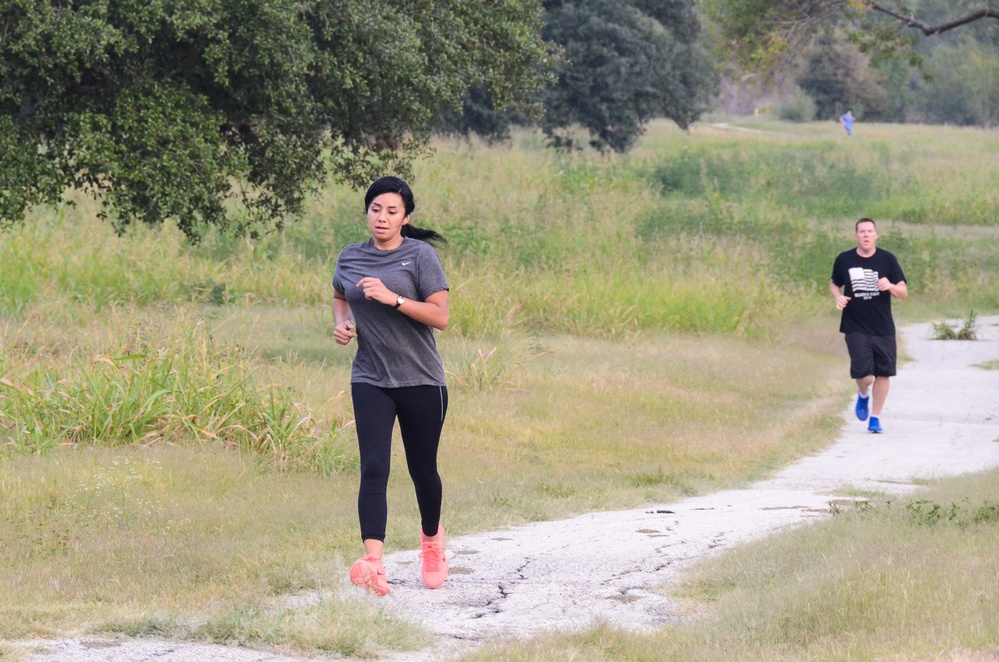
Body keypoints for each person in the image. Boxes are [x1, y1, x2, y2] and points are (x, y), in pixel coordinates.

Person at [332, 176, 451, 595]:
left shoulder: (420, 256)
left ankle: (432, 542)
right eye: (375, 209)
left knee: (423, 470)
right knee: (374, 467)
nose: (382, 217)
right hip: (370, 378)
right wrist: (342, 323)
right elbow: (340, 294)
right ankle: (373, 564)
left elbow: (440, 316)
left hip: (421, 379)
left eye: (391, 211)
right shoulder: (349, 257)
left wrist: (393, 299)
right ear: (367, 212)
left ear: (406, 218)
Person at [829, 218, 908, 433]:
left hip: (883, 327)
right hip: (855, 325)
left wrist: (890, 285)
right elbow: (834, 283)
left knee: (883, 374)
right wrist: (838, 297)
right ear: (856, 235)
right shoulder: (844, 259)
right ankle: (863, 394)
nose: (865, 235)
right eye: (861, 231)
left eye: (869, 231)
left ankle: (875, 418)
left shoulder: (887, 259)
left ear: (876, 235)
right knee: (865, 375)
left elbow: (903, 292)